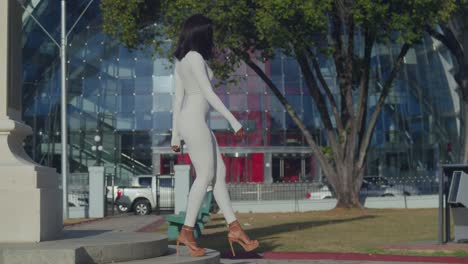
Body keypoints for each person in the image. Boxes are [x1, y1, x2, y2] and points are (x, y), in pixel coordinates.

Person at [170, 14, 259, 257]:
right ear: (200, 34)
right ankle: (187, 231)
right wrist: (233, 121)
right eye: (209, 33)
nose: (212, 37)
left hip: (195, 122)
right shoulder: (195, 58)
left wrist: (175, 135)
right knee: (206, 175)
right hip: (195, 121)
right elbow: (208, 94)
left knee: (219, 174)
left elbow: (178, 100)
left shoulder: (180, 61)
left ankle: (234, 228)